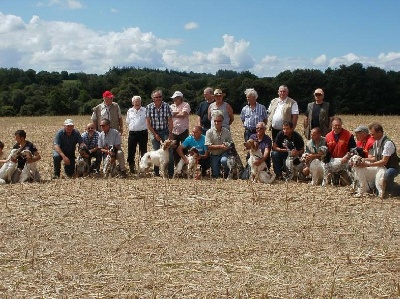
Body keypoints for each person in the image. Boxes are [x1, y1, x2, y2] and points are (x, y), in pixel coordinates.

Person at [360, 122, 399, 197]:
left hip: (391, 167)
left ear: (380, 132)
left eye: (373, 134)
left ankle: (392, 191)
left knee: (388, 174)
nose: (371, 136)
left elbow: (384, 161)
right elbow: (376, 158)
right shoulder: (376, 142)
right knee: (373, 190)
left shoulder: (388, 143)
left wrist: (368, 164)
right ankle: (387, 187)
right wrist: (364, 159)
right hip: (381, 167)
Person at [146, 89, 174, 177]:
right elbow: (148, 123)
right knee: (156, 153)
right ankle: (156, 172)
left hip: (165, 131)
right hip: (154, 131)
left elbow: (170, 121)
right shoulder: (149, 107)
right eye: (156, 97)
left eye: (160, 96)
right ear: (153, 98)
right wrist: (155, 134)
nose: (158, 98)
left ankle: (170, 172)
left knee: (169, 152)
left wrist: (170, 133)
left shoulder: (166, 106)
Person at [325, 117, 356, 185]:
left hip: (345, 161)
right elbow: (326, 152)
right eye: (335, 125)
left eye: (339, 125)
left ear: (342, 124)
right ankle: (333, 177)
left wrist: (347, 157)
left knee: (344, 183)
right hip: (333, 162)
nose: (338, 127)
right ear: (332, 126)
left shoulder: (349, 135)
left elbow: (353, 150)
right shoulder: (327, 136)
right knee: (332, 183)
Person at [205, 112, 233, 178]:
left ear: (222, 121)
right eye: (215, 121)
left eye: (219, 121)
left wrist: (227, 146)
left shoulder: (226, 131)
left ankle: (226, 172)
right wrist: (221, 146)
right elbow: (208, 146)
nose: (217, 123)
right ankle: (217, 170)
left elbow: (231, 143)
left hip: (224, 154)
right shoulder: (209, 132)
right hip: (214, 155)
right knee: (216, 175)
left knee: (224, 161)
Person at [126, 95, 148, 173]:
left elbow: (148, 121)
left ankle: (143, 168)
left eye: (139, 101)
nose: (137, 103)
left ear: (140, 102)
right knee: (131, 151)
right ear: (133, 103)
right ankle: (131, 167)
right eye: (135, 101)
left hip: (143, 133)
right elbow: (128, 122)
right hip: (133, 133)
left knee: (143, 151)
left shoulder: (145, 110)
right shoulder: (129, 111)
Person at [170, 91, 191, 169]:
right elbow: (169, 115)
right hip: (173, 131)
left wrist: (173, 114)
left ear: (180, 98)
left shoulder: (186, 105)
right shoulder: (171, 106)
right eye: (174, 98)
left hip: (183, 130)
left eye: (176, 98)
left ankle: (185, 167)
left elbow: (183, 115)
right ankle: (176, 166)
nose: (174, 100)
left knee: (184, 149)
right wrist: (177, 112)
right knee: (174, 149)